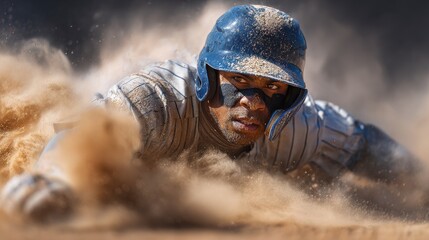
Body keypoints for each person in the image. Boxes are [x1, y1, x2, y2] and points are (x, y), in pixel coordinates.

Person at [0, 4, 426, 222]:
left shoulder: (297, 127)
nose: (256, 103)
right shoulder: (156, 100)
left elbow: (364, 143)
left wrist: (422, 183)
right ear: (207, 76)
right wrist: (54, 179)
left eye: (273, 87)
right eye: (240, 80)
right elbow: (84, 136)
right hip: (104, 88)